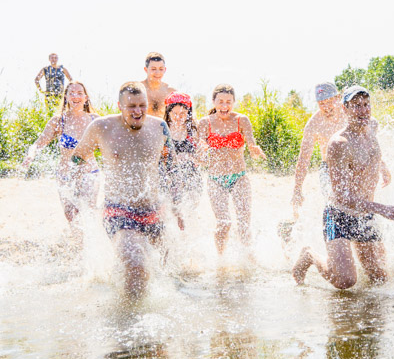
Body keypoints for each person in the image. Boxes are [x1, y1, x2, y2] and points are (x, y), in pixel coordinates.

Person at [292, 86, 394, 289]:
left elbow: (370, 151)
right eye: (356, 106)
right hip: (339, 215)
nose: (363, 110)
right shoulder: (339, 144)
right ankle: (309, 254)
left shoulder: (372, 126)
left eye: (366, 105)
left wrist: (383, 165)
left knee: (380, 279)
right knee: (345, 281)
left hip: (364, 214)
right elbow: (341, 198)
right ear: (345, 109)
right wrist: (383, 209)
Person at [68, 83, 174, 297]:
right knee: (136, 268)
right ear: (119, 105)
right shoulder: (102, 127)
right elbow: (76, 159)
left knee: (165, 270)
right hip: (119, 211)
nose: (137, 111)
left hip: (154, 211)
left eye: (142, 105)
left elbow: (171, 167)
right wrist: (74, 192)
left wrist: (177, 205)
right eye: (131, 106)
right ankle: (128, 321)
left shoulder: (160, 127)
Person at [197, 85, 266, 253]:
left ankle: (248, 260)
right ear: (213, 102)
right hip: (215, 179)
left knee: (244, 223)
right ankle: (221, 260)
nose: (224, 106)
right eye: (220, 102)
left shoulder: (242, 120)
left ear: (234, 102)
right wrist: (202, 149)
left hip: (239, 177)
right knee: (224, 223)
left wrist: (254, 149)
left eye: (228, 102)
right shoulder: (205, 122)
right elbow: (200, 147)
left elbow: (251, 142)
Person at [21, 82, 100, 225]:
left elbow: (109, 145)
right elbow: (38, 144)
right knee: (70, 214)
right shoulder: (58, 121)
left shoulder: (95, 120)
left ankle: (91, 242)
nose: (76, 96)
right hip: (66, 175)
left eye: (79, 93)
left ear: (86, 97)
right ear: (66, 97)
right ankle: (78, 244)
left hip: (90, 172)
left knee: (89, 209)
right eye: (72, 93)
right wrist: (30, 155)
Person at [291, 82, 348, 211]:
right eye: (322, 104)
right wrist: (297, 188)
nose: (326, 107)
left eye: (329, 102)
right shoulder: (314, 125)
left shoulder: (349, 113)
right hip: (328, 168)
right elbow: (304, 158)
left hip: (352, 164)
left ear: (337, 98)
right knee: (333, 201)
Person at [162, 91, 201, 224]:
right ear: (168, 113)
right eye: (174, 114)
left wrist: (194, 157)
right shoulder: (163, 128)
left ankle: (190, 230)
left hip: (191, 172)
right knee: (175, 208)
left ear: (188, 113)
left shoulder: (193, 128)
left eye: (182, 114)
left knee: (193, 204)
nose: (178, 117)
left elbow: (200, 155)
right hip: (171, 173)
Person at [140, 52, 175, 118]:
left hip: (163, 127)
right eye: (153, 69)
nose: (157, 73)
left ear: (165, 70)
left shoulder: (170, 92)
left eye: (161, 69)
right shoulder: (138, 90)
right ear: (146, 70)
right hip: (142, 128)